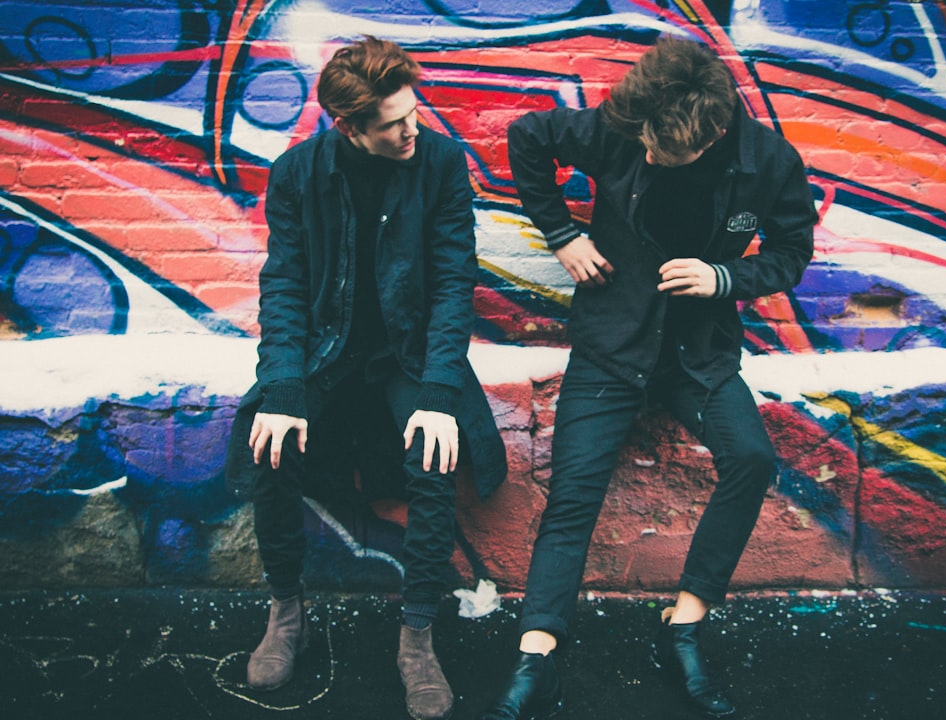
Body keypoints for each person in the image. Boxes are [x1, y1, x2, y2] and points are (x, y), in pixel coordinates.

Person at [482, 37, 818, 719]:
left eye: (664, 151)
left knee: (751, 457)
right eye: (643, 145)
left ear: (711, 135)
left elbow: (791, 253)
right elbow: (528, 137)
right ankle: (536, 658)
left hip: (699, 355)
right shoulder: (626, 127)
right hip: (612, 345)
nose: (649, 156)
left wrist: (723, 277)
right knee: (572, 494)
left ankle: (682, 627)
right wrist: (562, 234)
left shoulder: (769, 162)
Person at [224, 36, 506, 720]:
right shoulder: (298, 173)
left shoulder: (439, 162)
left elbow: (453, 286)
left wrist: (438, 395)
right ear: (350, 127)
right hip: (326, 350)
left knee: (434, 456)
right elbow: (285, 285)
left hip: (409, 354)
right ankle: (286, 613)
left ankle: (417, 637)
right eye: (394, 124)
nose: (413, 129)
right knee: (269, 446)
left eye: (414, 113)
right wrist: (284, 388)